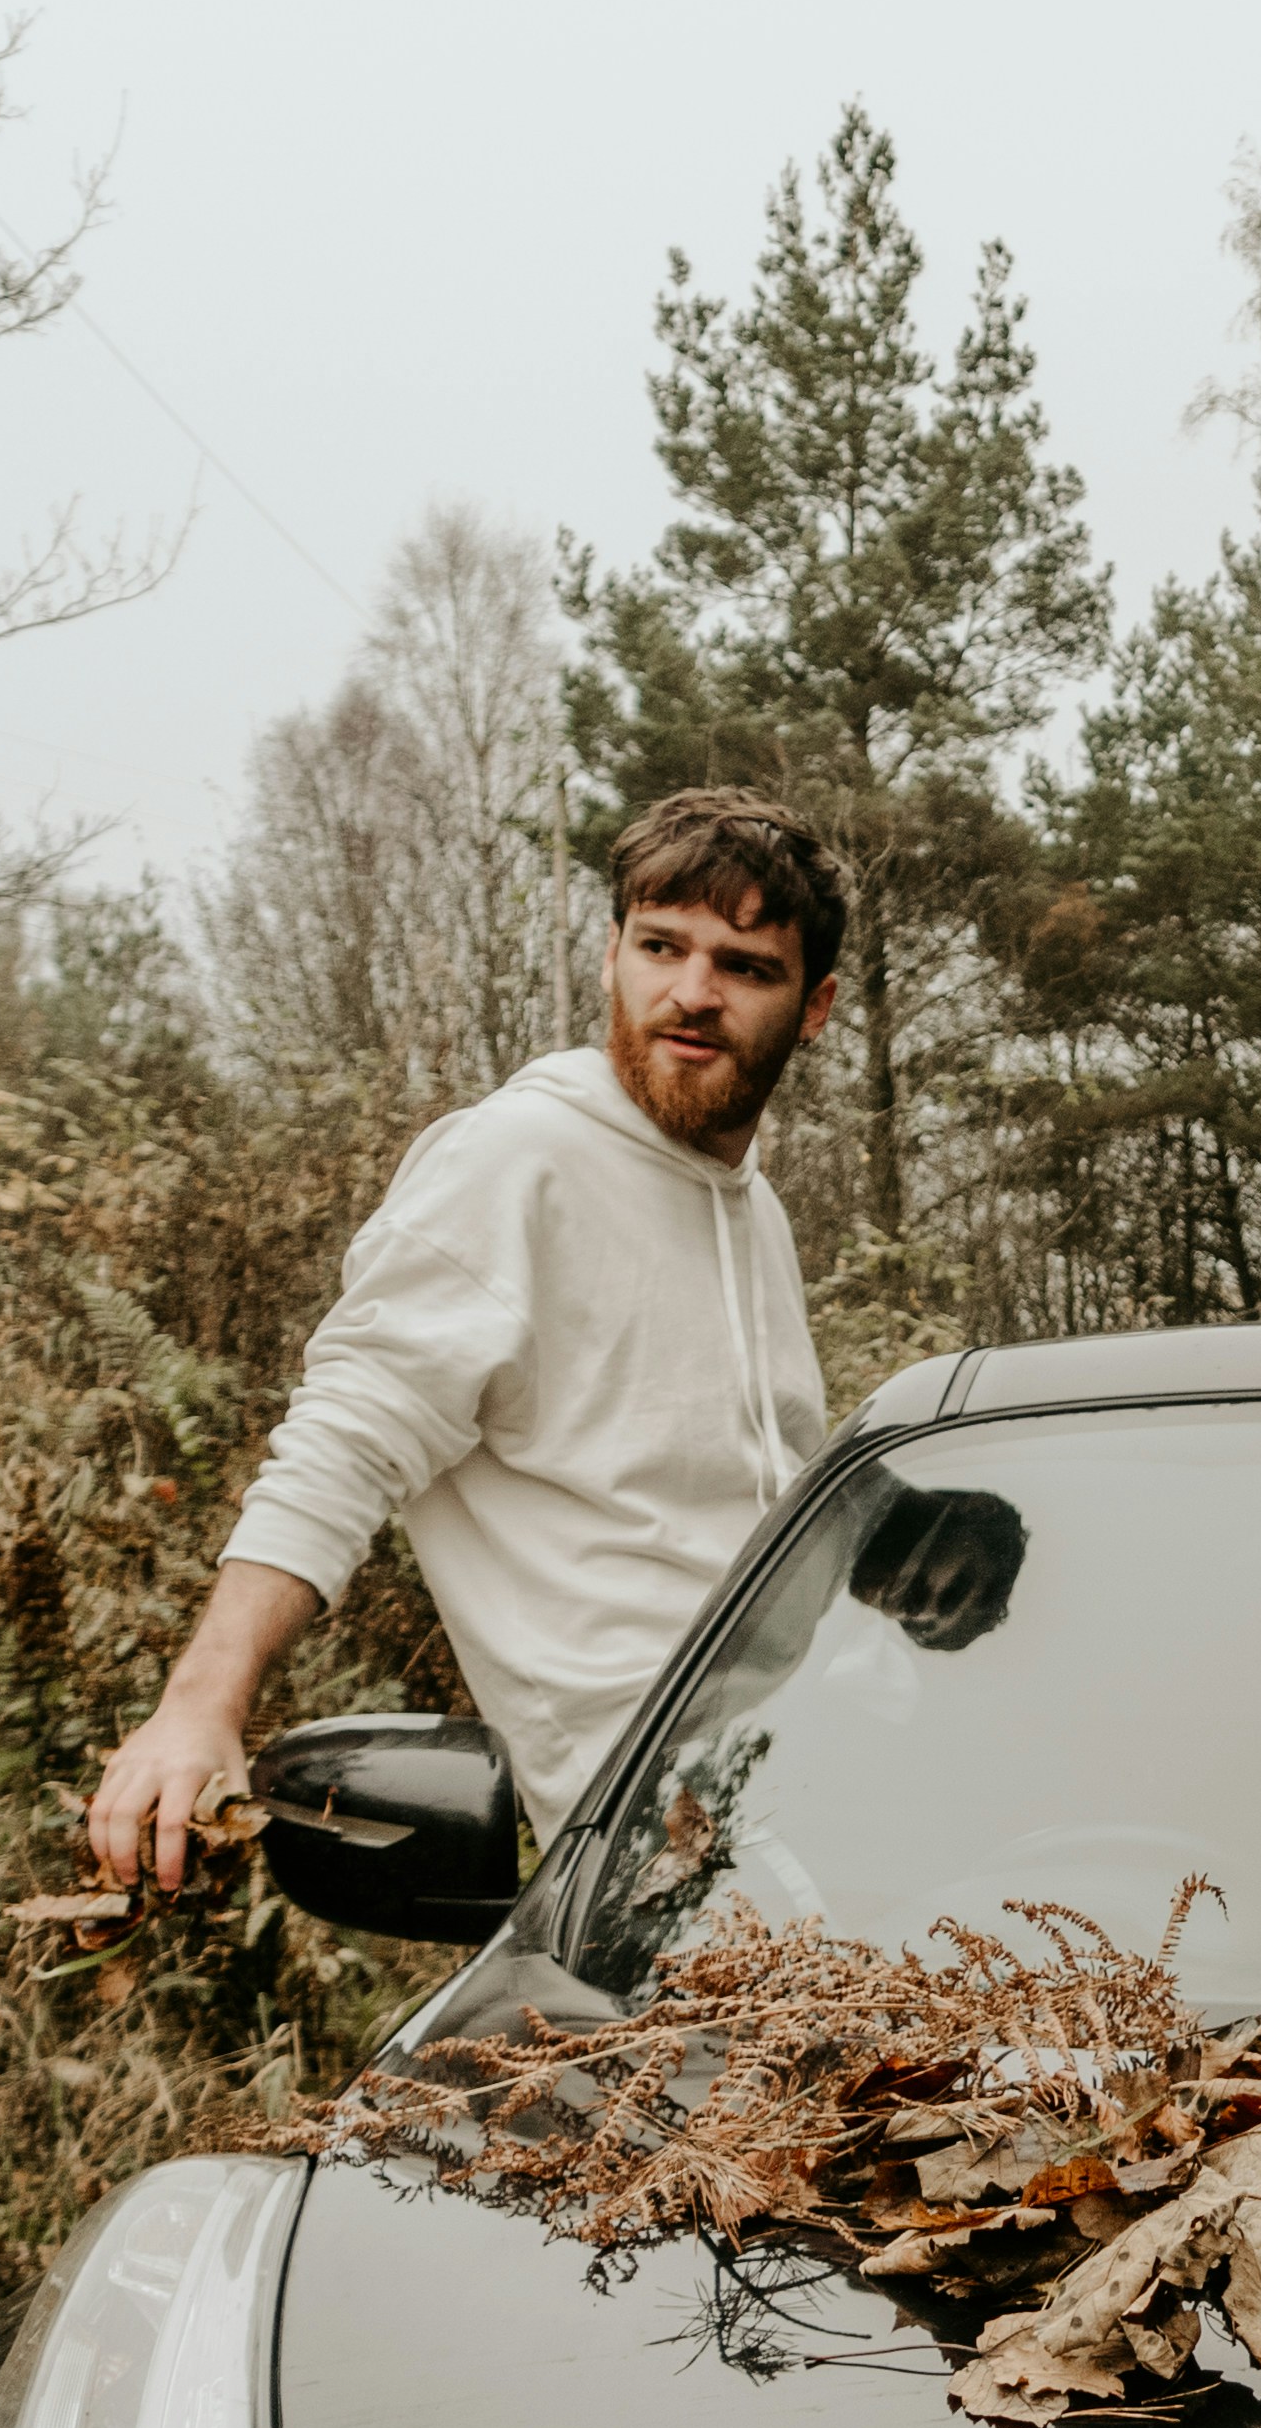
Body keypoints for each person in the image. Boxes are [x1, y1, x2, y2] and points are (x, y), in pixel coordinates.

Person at [85, 792, 847, 1886]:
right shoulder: (516, 1159)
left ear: (813, 1007)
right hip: (659, 1844)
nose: (691, 992)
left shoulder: (753, 1209)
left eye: (744, 966)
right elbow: (349, 1436)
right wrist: (199, 1705)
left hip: (817, 1782)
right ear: (610, 956)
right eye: (660, 946)